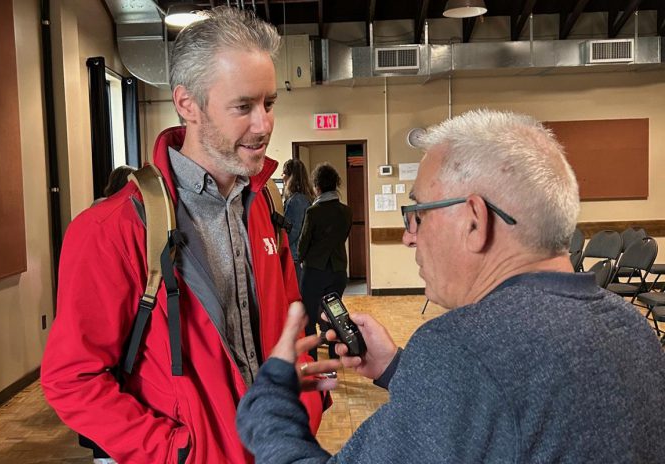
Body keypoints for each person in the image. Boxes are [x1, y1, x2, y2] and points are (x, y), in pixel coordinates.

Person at [236, 109, 665, 463]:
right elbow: (514, 422)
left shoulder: (462, 350)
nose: (408, 236)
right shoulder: (631, 328)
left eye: (418, 213)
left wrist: (270, 396)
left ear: (475, 221)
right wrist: (397, 370)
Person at [41, 7, 330, 464]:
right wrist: (176, 452)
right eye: (243, 107)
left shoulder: (266, 206)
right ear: (186, 104)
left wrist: (307, 404)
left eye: (269, 103)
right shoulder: (111, 229)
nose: (264, 125)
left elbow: (283, 331)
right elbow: (72, 378)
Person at [297, 163, 352, 360]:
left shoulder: (314, 212)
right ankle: (334, 363)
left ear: (317, 186)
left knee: (310, 319)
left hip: (314, 272)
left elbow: (303, 244)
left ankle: (312, 360)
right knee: (334, 317)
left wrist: (299, 259)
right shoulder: (346, 211)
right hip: (338, 272)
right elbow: (343, 237)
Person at [281, 159, 314, 282]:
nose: (282, 177)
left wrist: (279, 245)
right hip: (302, 255)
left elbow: (293, 231)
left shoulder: (296, 201)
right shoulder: (306, 198)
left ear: (290, 176)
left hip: (295, 255)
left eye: (284, 173)